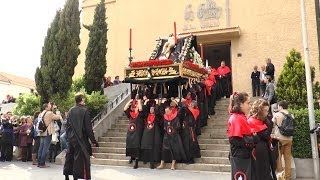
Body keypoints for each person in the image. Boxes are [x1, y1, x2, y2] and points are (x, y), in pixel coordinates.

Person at [63, 93, 98, 180]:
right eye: (83, 99)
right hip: (81, 139)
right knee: (82, 159)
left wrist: (69, 137)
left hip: (72, 139)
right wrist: (93, 141)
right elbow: (88, 128)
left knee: (70, 156)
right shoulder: (84, 111)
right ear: (81, 99)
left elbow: (67, 126)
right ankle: (78, 177)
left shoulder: (70, 110)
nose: (84, 100)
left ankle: (66, 175)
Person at [227, 92, 257, 180]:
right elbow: (234, 139)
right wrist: (252, 139)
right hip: (240, 156)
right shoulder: (236, 118)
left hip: (243, 155)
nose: (250, 106)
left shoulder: (240, 117)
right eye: (248, 103)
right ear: (240, 104)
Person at [248, 99, 276, 180]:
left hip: (264, 153)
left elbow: (266, 137)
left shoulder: (262, 121)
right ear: (259, 111)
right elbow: (265, 136)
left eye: (267, 111)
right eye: (265, 111)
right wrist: (270, 125)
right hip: (258, 154)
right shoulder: (252, 121)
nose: (267, 113)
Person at [157, 99, 186, 170]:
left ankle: (173, 165)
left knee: (174, 150)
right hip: (166, 136)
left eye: (167, 111)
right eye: (165, 111)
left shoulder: (175, 116)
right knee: (164, 150)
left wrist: (177, 102)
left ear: (171, 111)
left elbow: (182, 109)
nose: (166, 112)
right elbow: (160, 113)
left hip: (174, 136)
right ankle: (161, 164)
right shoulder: (165, 117)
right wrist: (161, 103)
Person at [272, 100, 293, 180]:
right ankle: (288, 177)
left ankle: (281, 177)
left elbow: (271, 124)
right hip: (289, 139)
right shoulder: (291, 115)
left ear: (280, 106)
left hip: (279, 139)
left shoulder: (277, 114)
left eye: (278, 106)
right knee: (288, 159)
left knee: (279, 159)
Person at [37, 103, 61, 168]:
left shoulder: (42, 113)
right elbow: (57, 117)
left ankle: (39, 162)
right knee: (45, 148)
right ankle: (42, 163)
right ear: (46, 107)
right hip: (47, 132)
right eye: (49, 105)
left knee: (41, 148)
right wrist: (57, 110)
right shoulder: (49, 113)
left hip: (42, 132)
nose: (50, 106)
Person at [140, 99, 162, 169]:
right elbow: (143, 110)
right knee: (146, 146)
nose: (151, 110)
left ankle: (152, 163)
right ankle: (145, 159)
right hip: (147, 133)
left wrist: (158, 104)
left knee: (153, 148)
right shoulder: (147, 115)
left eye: (153, 109)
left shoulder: (157, 116)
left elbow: (158, 112)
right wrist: (145, 102)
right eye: (150, 109)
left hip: (154, 133)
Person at [123, 98, 144, 169]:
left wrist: (139, 102)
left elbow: (141, 109)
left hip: (138, 132)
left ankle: (136, 162)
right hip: (130, 132)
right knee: (130, 143)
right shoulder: (131, 114)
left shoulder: (140, 114)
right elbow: (125, 109)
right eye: (135, 106)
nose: (136, 107)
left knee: (137, 145)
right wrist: (129, 101)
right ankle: (131, 157)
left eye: (136, 106)